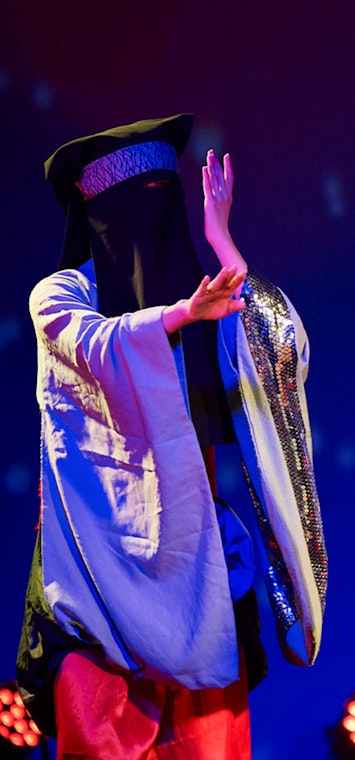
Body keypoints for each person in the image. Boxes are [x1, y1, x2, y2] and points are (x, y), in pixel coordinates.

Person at [16, 114, 327, 758]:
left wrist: (223, 242)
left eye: (167, 203)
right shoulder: (63, 294)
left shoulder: (202, 295)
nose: (151, 227)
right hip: (93, 569)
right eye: (136, 206)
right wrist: (179, 315)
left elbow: (276, 349)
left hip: (194, 567)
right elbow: (95, 346)